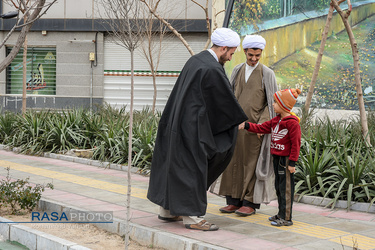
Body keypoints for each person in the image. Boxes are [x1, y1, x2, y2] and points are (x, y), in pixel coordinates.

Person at [147, 28, 248, 231]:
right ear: (223, 48)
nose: (230, 57)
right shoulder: (211, 68)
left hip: (177, 125)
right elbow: (223, 103)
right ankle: (192, 217)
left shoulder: (197, 60)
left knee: (177, 167)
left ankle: (168, 210)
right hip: (192, 130)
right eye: (231, 53)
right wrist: (236, 121)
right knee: (193, 169)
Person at [218, 35, 278, 216]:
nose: (253, 59)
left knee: (252, 165)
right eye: (250, 55)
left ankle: (250, 202)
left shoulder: (267, 74)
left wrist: (261, 126)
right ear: (244, 51)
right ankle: (233, 200)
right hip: (235, 128)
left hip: (255, 130)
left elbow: (272, 103)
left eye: (257, 56)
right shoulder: (236, 70)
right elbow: (229, 96)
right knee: (233, 162)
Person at [239, 88, 302, 226]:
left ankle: (286, 218)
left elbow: (296, 144)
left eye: (275, 102)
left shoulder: (292, 123)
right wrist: (247, 125)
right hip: (277, 159)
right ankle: (280, 213)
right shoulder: (276, 120)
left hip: (286, 161)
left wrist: (292, 163)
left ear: (284, 105)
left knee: (286, 189)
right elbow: (262, 128)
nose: (272, 105)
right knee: (279, 188)